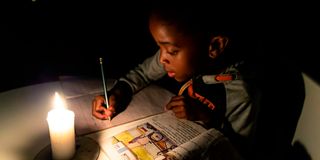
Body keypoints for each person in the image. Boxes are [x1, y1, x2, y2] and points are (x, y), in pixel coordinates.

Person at [92, 2, 261, 159]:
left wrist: (206, 118)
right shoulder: (183, 57)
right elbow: (143, 73)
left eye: (171, 51)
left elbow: (237, 151)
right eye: (160, 48)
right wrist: (118, 93)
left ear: (214, 47)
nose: (162, 58)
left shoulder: (241, 93)